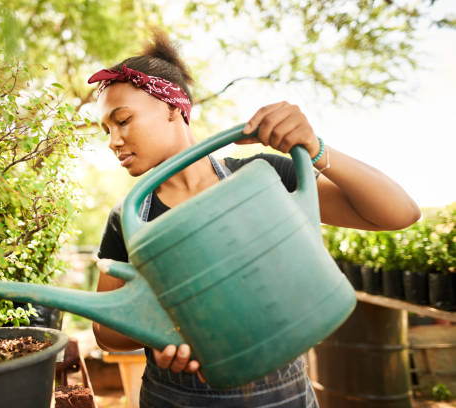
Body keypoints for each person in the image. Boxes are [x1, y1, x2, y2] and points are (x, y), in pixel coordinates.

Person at [87, 31, 420, 408]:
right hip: (174, 397)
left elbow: (399, 213)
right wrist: (160, 330)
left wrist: (316, 149)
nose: (113, 140)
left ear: (174, 109)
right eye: (107, 130)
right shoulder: (128, 220)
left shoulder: (262, 178)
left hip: (281, 397)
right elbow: (106, 333)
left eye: (123, 120)